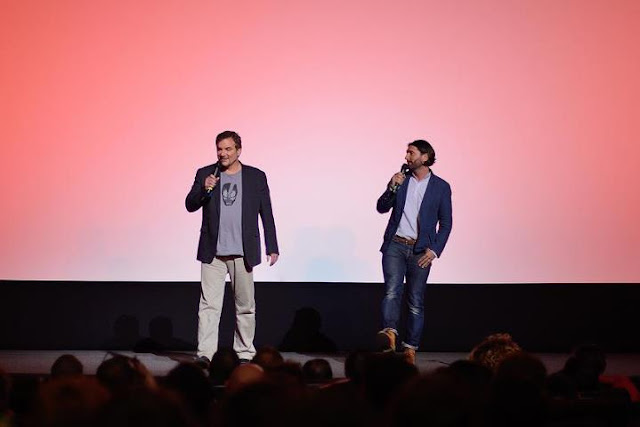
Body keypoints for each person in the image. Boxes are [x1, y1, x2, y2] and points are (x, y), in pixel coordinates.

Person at [186, 130, 279, 365]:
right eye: (219, 149)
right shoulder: (206, 174)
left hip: (243, 252)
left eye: (228, 149)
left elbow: (266, 212)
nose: (223, 153)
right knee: (209, 306)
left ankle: (244, 352)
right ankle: (205, 354)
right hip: (213, 253)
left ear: (239, 150)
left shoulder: (256, 177)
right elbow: (190, 204)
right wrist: (204, 189)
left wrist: (272, 245)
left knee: (245, 306)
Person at [376, 139, 452, 364]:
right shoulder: (402, 180)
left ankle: (410, 347)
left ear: (425, 157)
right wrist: (392, 187)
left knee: (415, 300)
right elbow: (381, 207)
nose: (406, 157)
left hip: (420, 251)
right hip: (395, 245)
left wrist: (434, 250)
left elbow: (446, 223)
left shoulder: (441, 187)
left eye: (411, 153)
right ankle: (390, 335)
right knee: (391, 291)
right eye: (407, 153)